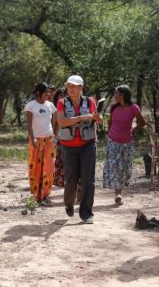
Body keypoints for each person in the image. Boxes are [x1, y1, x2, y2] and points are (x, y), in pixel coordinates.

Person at [56, 75, 103, 224]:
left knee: (88, 180)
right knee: (71, 180)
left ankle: (86, 213)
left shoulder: (90, 102)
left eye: (74, 86)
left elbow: (99, 121)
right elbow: (62, 122)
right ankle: (69, 203)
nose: (71, 89)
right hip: (69, 146)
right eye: (69, 86)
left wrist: (97, 117)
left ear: (81, 88)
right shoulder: (61, 103)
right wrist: (81, 118)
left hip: (88, 144)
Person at [102, 85, 146, 205]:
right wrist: (108, 135)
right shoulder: (114, 107)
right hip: (113, 141)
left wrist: (133, 129)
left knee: (124, 168)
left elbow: (142, 122)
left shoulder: (133, 108)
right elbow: (110, 122)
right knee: (115, 166)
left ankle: (120, 190)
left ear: (122, 95)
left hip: (127, 143)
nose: (114, 96)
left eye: (116, 93)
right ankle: (118, 194)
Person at [24, 82, 57, 206]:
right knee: (36, 169)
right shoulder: (31, 106)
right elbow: (28, 124)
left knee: (49, 168)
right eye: (46, 92)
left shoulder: (50, 105)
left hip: (49, 139)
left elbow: (55, 121)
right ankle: (37, 196)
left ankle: (45, 195)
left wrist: (55, 135)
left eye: (49, 92)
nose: (48, 94)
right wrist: (32, 139)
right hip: (36, 140)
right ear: (38, 93)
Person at [52, 88, 66, 187]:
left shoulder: (71, 108)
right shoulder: (56, 110)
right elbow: (54, 126)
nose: (62, 97)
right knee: (60, 162)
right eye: (60, 95)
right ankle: (61, 181)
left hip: (70, 139)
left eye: (63, 95)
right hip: (60, 139)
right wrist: (54, 139)